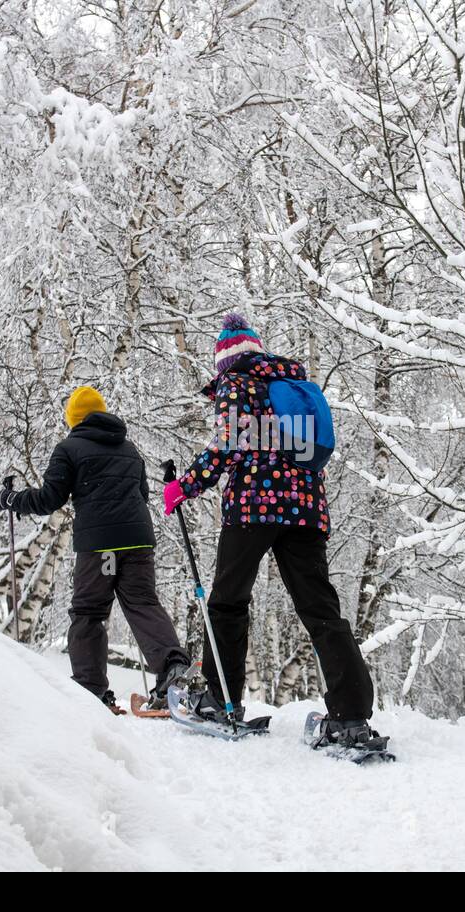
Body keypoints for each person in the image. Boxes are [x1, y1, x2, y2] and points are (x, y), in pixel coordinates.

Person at [162, 312, 385, 752]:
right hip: (305, 511)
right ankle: (351, 715)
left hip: (253, 508)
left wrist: (183, 487)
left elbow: (225, 444)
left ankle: (220, 701)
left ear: (225, 360)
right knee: (321, 609)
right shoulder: (293, 384)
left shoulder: (237, 383)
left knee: (227, 602)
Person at [0, 386, 190, 714]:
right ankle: (173, 670)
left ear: (74, 418)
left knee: (88, 612)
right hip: (139, 539)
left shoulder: (69, 448)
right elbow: (141, 494)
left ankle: (92, 691)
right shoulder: (129, 449)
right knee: (142, 602)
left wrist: (12, 500)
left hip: (102, 547)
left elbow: (48, 500)